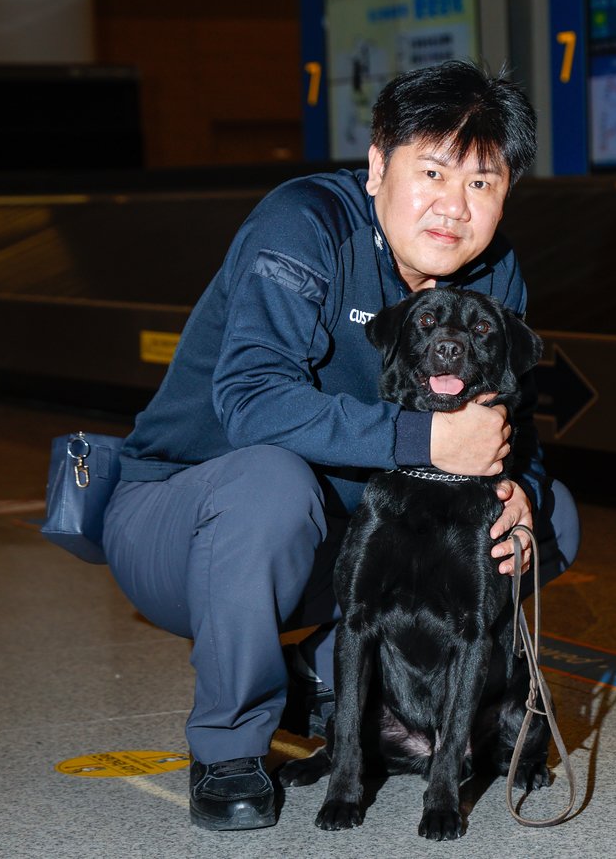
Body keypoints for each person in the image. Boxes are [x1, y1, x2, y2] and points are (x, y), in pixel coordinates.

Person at [100, 60, 579, 831]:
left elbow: (507, 418)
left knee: (544, 516)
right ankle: (229, 746)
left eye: (482, 183)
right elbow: (250, 399)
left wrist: (519, 489)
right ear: (379, 164)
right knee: (271, 486)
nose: (454, 206)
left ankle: (331, 668)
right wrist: (421, 436)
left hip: (345, 534)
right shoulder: (304, 225)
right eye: (432, 170)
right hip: (185, 516)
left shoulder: (493, 274)